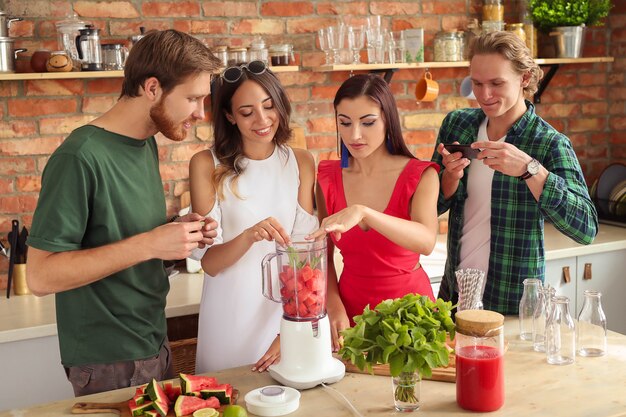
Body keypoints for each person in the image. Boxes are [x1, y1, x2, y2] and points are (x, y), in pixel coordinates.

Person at [25, 30, 220, 396]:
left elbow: (121, 239)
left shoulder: (144, 143)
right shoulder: (80, 156)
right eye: (193, 98)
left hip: (151, 341)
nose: (200, 112)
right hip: (109, 359)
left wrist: (174, 235)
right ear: (152, 88)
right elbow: (40, 276)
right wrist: (150, 244)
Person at [431, 31, 598, 315]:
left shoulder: (548, 143)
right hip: (453, 298)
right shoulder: (457, 125)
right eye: (477, 83)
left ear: (524, 79)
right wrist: (449, 179)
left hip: (513, 305)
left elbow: (586, 229)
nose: (484, 95)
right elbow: (431, 206)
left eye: (496, 83)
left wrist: (529, 169)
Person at [189, 60, 318, 373]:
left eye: (269, 106)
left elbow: (307, 258)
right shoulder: (206, 164)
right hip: (230, 315)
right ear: (230, 116)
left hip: (285, 315)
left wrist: (291, 326)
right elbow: (208, 263)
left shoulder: (301, 161)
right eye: (247, 112)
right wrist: (248, 236)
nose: (262, 120)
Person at [308, 74, 440, 351]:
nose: (354, 135)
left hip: (412, 314)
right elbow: (322, 254)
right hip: (350, 313)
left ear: (387, 120)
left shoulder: (420, 174)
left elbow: (426, 241)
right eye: (344, 123)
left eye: (368, 122)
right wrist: (332, 306)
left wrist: (364, 213)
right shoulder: (328, 178)